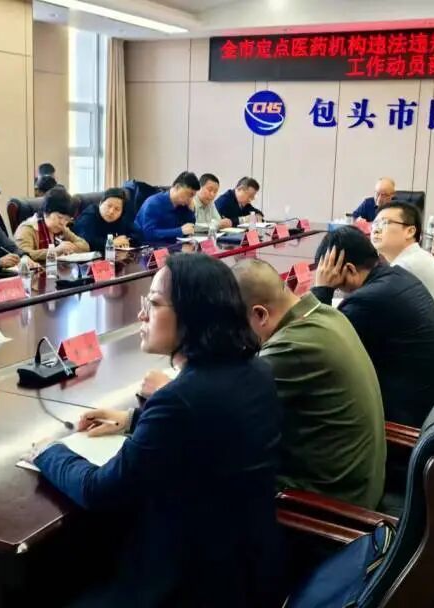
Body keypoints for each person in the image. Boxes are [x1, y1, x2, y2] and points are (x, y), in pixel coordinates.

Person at [32, 253, 283, 607]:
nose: (141, 315)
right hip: (248, 570)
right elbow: (209, 430)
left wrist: (49, 452)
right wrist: (132, 421)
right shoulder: (257, 371)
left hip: (185, 584)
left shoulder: (179, 400)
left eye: (153, 303)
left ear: (192, 315)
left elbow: (98, 490)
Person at [232, 258, 386, 508]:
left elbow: (224, 409)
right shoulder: (327, 314)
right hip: (361, 484)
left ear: (260, 314)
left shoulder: (292, 346)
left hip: (335, 505)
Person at [311, 227, 434, 428]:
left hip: (405, 422)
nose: (340, 292)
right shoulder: (397, 275)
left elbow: (316, 349)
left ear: (350, 270)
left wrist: (322, 290)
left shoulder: (365, 302)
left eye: (337, 286)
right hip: (433, 403)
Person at [372, 202, 434, 337]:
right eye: (375, 224)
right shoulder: (418, 256)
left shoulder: (408, 265)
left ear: (410, 231)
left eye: (384, 223)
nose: (376, 230)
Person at [13, 186, 89, 262]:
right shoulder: (28, 228)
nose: (62, 223)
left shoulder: (62, 229)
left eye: (66, 219)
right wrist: (55, 251)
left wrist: (70, 247)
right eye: (59, 217)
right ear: (46, 212)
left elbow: (85, 246)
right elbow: (22, 254)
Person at [134, 171, 198, 243]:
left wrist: (191, 211)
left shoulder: (183, 205)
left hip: (172, 245)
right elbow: (149, 234)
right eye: (189, 194)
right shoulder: (153, 203)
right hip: (148, 246)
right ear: (177, 187)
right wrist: (179, 231)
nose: (190, 199)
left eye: (193, 196)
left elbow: (189, 229)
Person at [73, 187, 141, 252]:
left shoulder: (121, 218)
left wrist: (126, 240)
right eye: (109, 206)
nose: (111, 212)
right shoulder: (89, 215)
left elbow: (137, 234)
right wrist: (111, 243)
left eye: (117, 209)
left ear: (121, 212)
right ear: (100, 203)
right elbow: (85, 241)